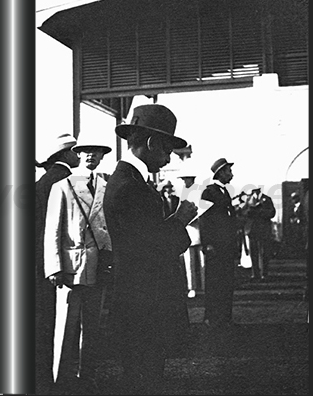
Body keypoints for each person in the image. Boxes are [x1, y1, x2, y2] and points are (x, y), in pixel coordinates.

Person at [103, 104, 197, 395]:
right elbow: (153, 247)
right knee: (147, 377)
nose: (168, 157)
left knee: (141, 373)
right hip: (145, 302)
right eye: (167, 150)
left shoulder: (128, 182)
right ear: (151, 143)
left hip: (138, 298)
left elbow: (146, 237)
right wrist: (181, 219)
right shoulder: (132, 188)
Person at [44, 138, 113, 393]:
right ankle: (60, 377)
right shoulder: (62, 186)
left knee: (92, 327)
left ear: (102, 156)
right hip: (71, 267)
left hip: (98, 266)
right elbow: (53, 228)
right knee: (66, 325)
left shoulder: (107, 187)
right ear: (77, 154)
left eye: (96, 152)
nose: (90, 156)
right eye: (85, 151)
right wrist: (53, 266)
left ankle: (87, 374)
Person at [34, 133, 80, 395]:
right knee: (60, 322)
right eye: (73, 151)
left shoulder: (42, 182)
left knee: (44, 319)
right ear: (63, 155)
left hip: (40, 262)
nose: (77, 155)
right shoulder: (64, 181)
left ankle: (43, 376)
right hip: (63, 263)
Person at [199, 157, 241, 330]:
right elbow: (204, 219)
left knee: (226, 282)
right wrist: (207, 243)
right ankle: (211, 318)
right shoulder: (208, 192)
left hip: (226, 246)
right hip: (215, 247)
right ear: (221, 173)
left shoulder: (225, 192)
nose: (231, 174)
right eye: (229, 171)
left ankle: (225, 317)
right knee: (214, 282)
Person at [177, 170, 205, 298]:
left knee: (202, 261)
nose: (184, 181)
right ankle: (191, 287)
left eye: (186, 179)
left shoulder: (199, 191)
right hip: (187, 230)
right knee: (189, 263)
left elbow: (202, 210)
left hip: (198, 229)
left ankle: (204, 286)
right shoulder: (183, 192)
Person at [244, 187, 276, 280]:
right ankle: (255, 273)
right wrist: (249, 212)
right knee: (253, 252)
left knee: (264, 252)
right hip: (252, 229)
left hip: (263, 229)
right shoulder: (248, 200)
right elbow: (244, 212)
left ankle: (264, 273)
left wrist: (260, 212)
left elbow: (272, 213)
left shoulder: (267, 199)